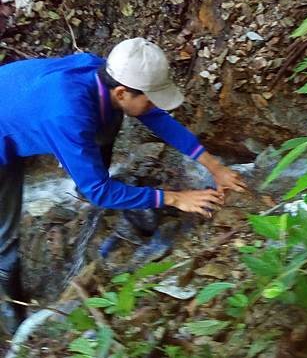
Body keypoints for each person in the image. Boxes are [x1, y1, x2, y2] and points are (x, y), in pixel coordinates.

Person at [0, 37, 247, 334]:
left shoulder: (103, 74)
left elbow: (159, 120)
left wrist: (216, 167)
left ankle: (86, 173)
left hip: (22, 102)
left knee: (106, 124)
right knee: (6, 224)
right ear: (121, 92)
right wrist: (174, 198)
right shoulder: (69, 114)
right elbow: (99, 192)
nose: (154, 105)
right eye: (150, 98)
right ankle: (10, 297)